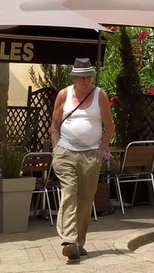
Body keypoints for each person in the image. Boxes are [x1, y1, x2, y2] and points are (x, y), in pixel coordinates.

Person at [48, 56, 114, 262]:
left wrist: (101, 151)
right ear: (74, 78)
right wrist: (57, 148)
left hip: (91, 153)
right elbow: (54, 125)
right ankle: (68, 241)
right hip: (66, 151)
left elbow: (109, 127)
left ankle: (79, 242)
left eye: (89, 77)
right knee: (70, 191)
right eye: (82, 78)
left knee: (86, 199)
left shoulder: (99, 96)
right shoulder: (63, 95)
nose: (87, 81)